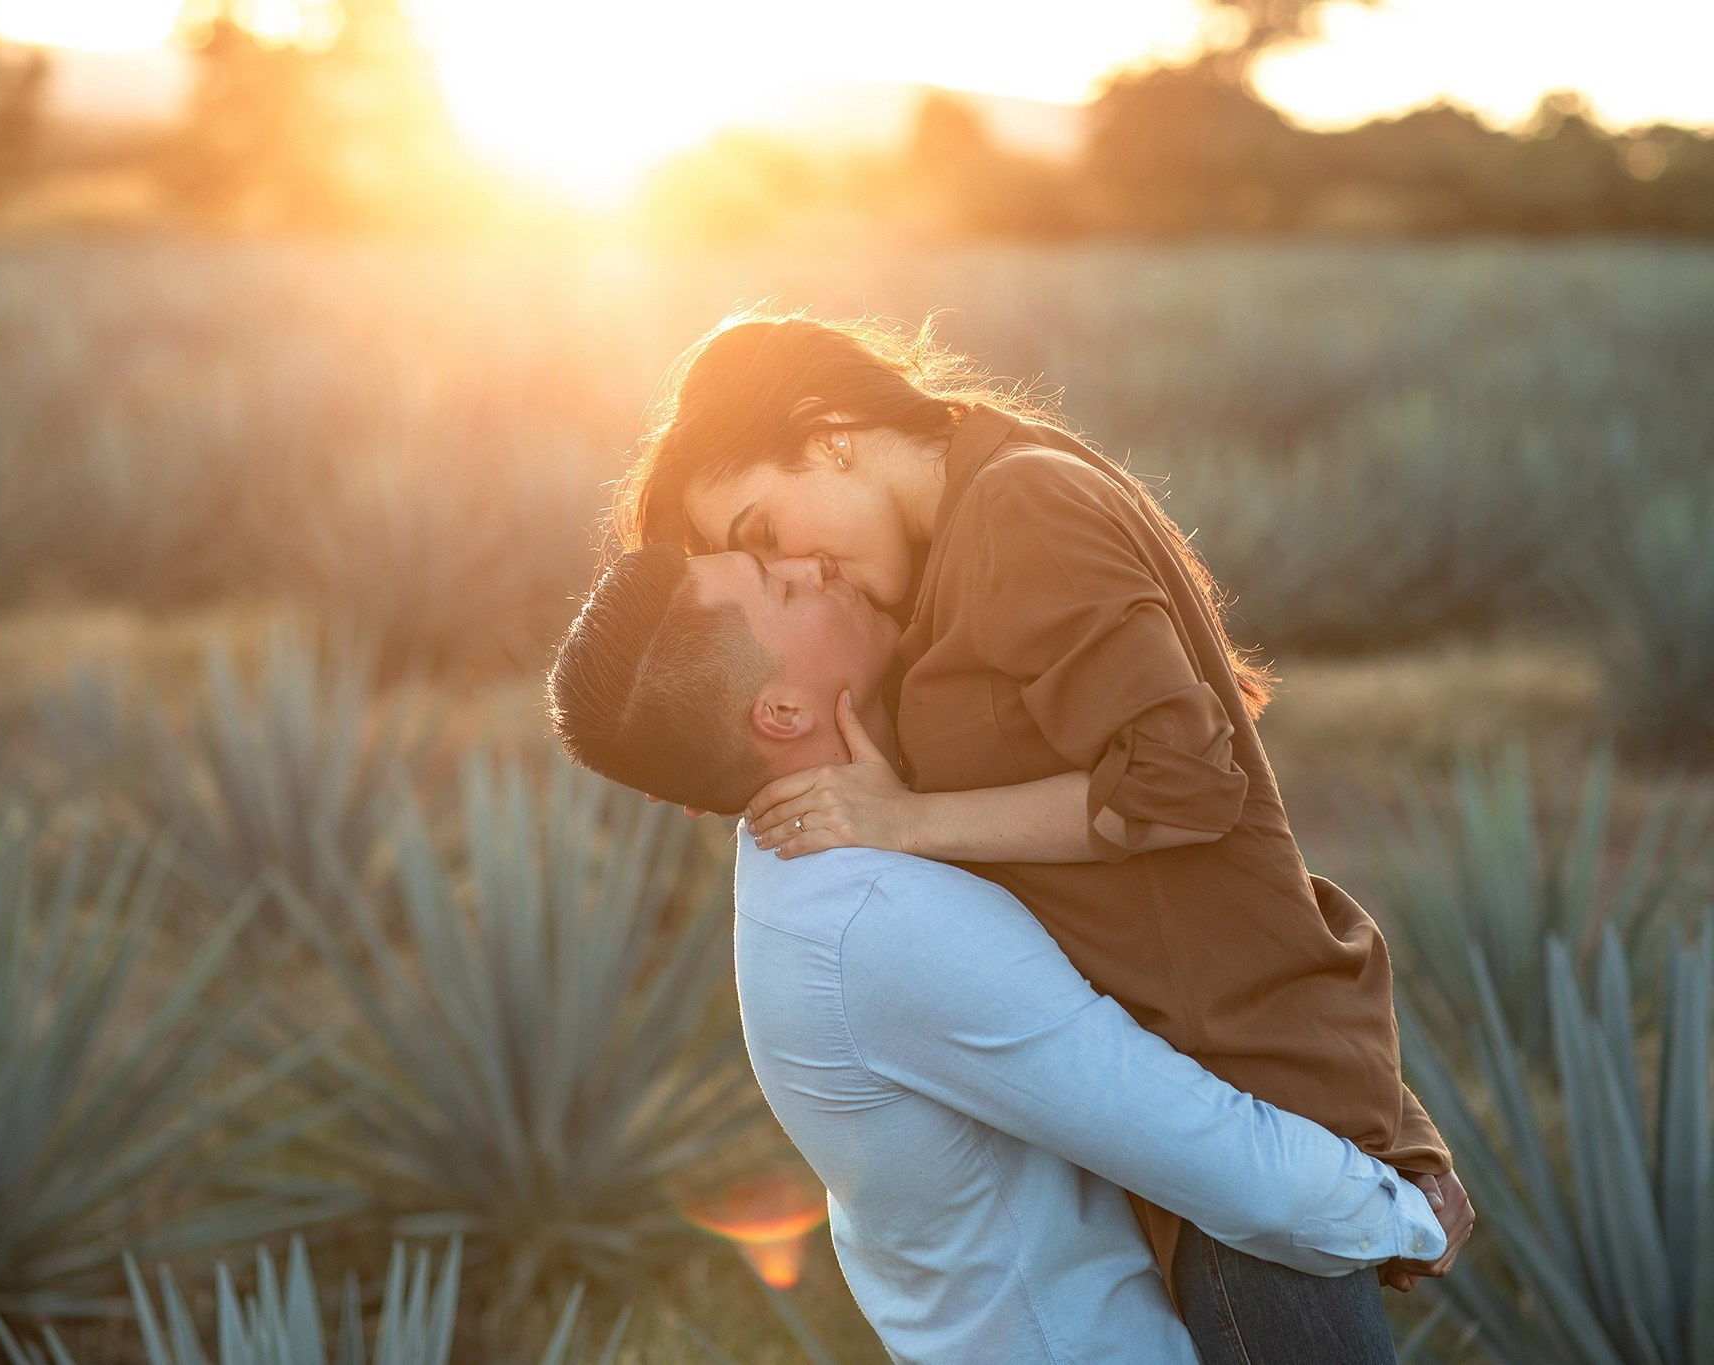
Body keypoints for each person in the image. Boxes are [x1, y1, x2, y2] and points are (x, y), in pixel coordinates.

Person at [602, 309, 1473, 1360]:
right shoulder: (968, 522)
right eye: (765, 570)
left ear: (826, 430)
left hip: (1237, 1110)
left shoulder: (1016, 502)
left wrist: (911, 821)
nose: (803, 568)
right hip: (1219, 1106)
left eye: (761, 531)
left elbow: (1184, 787)